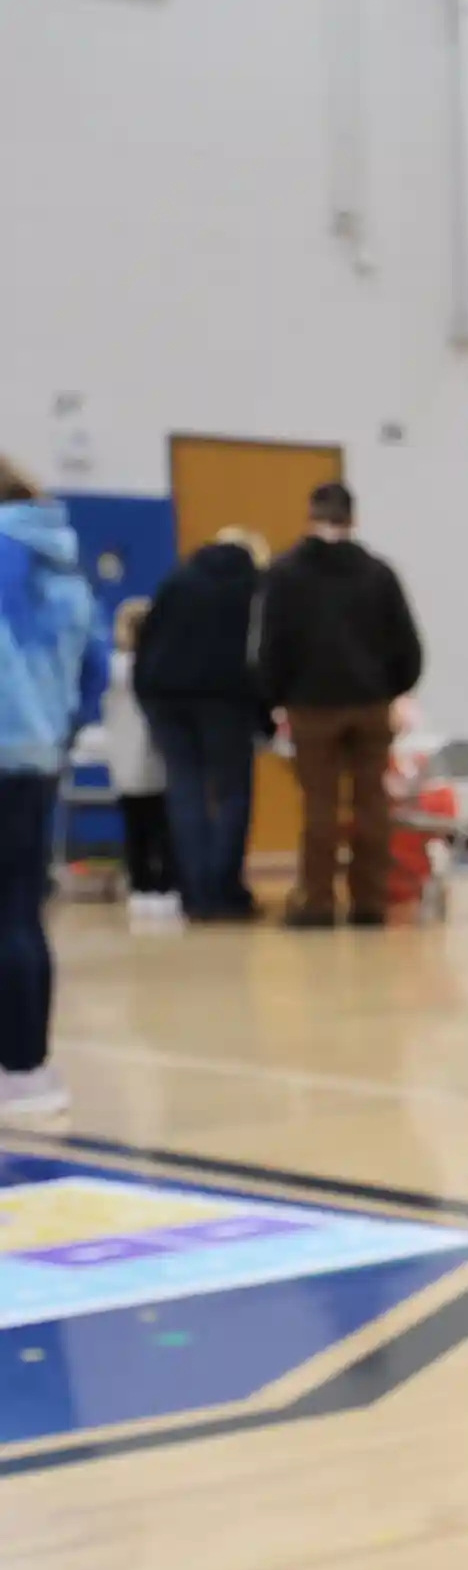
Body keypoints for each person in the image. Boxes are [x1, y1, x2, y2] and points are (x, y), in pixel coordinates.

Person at [254, 480, 423, 928]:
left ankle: (318, 903)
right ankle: (370, 902)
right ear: (353, 518)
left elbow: (270, 647)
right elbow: (408, 646)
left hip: (311, 706)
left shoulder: (285, 574)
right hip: (371, 704)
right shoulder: (379, 574)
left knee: (320, 807)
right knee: (371, 805)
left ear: (311, 515)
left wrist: (276, 698)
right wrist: (391, 689)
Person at [0, 459, 102, 1120]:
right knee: (20, 913)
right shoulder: (62, 562)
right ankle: (29, 1067)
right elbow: (94, 667)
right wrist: (60, 730)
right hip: (39, 757)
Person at [134, 526, 271, 923]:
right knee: (231, 794)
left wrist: (147, 696)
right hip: (226, 699)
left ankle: (194, 894)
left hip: (165, 696)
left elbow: (147, 639)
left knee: (185, 791)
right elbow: (260, 652)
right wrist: (265, 715)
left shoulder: (178, 578)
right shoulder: (253, 587)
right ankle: (225, 892)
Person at [102, 600, 177, 925]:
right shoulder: (163, 666)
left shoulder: (113, 668)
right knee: (165, 826)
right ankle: (167, 883)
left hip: (124, 758)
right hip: (160, 759)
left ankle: (141, 884)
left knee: (136, 828)